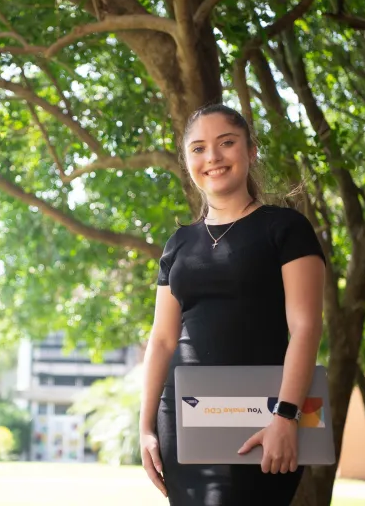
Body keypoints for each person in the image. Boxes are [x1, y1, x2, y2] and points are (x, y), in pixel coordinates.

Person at [139, 104, 326, 506]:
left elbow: (307, 327)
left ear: (251, 150)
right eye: (198, 148)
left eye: (226, 143)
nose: (213, 158)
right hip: (182, 418)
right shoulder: (178, 244)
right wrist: (145, 428)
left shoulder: (286, 228)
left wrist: (286, 415)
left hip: (266, 415)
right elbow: (162, 341)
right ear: (187, 160)